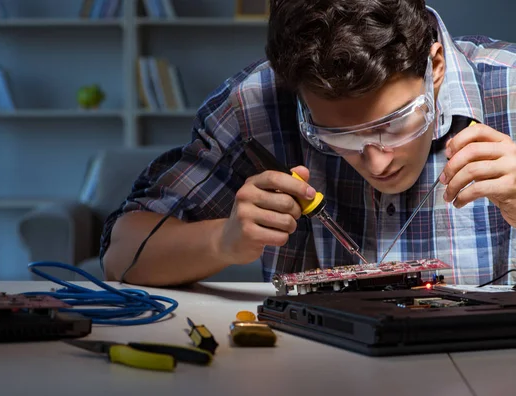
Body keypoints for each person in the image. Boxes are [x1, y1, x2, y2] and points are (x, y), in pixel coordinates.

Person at [100, 0, 516, 287]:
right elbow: (121, 253)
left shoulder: (510, 89)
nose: (376, 162)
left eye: (394, 124)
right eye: (340, 135)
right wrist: (223, 240)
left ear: (435, 67)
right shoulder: (257, 104)